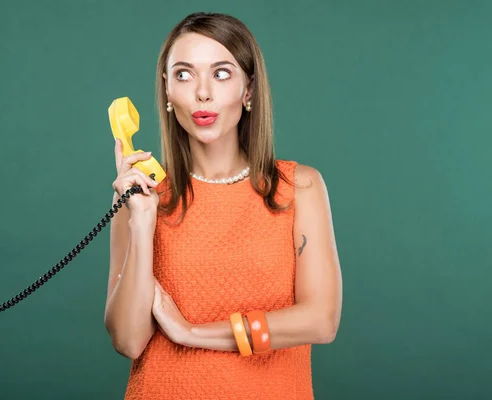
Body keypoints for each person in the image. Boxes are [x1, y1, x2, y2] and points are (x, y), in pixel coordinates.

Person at [104, 12, 342, 399]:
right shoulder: (140, 195)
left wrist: (192, 333)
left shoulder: (299, 186)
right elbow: (129, 341)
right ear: (166, 91)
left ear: (249, 89)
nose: (202, 93)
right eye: (183, 74)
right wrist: (143, 221)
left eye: (221, 73)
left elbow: (321, 321)